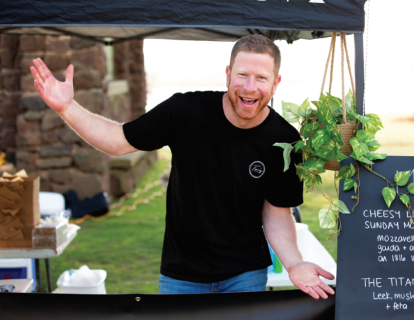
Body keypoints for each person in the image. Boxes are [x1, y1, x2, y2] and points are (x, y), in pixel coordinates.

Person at [30, 35, 335, 299]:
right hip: (181, 276)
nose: (250, 87)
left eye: (261, 78)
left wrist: (295, 264)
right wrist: (66, 107)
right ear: (227, 74)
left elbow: (276, 213)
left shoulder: (285, 141)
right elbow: (117, 140)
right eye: (242, 75)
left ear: (276, 82)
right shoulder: (184, 111)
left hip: (246, 275)